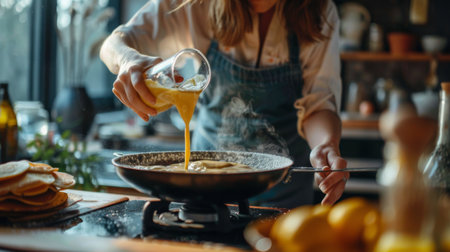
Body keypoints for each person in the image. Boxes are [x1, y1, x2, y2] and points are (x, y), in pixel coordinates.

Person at [100, 0, 349, 207]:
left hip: (283, 190)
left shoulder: (318, 10)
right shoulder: (197, 5)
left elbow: (319, 103)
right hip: (204, 187)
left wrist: (326, 144)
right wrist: (127, 59)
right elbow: (114, 43)